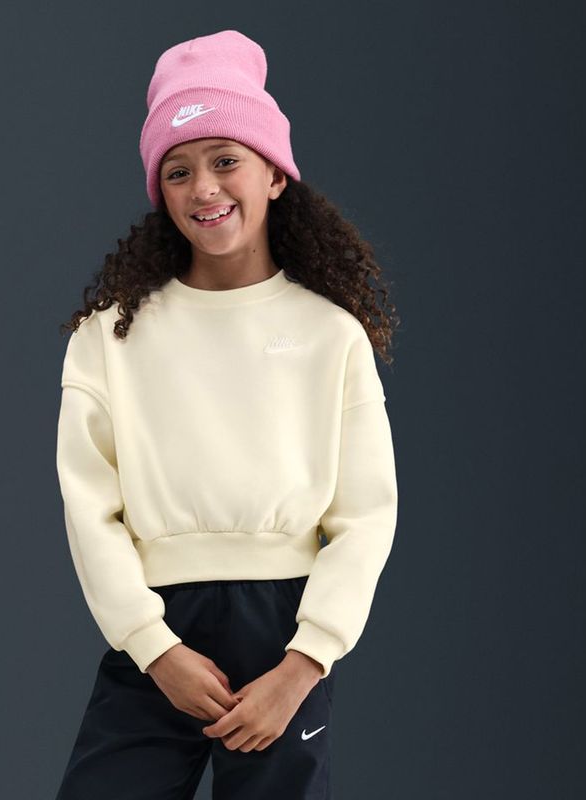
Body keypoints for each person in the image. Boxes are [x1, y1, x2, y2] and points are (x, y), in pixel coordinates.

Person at [53, 29, 400, 799]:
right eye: (178, 171)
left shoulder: (329, 335)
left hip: (285, 632)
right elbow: (89, 508)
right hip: (155, 632)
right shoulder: (110, 337)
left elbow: (366, 516)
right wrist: (153, 647)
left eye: (225, 160)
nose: (203, 188)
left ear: (274, 173)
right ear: (161, 192)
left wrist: (304, 665)